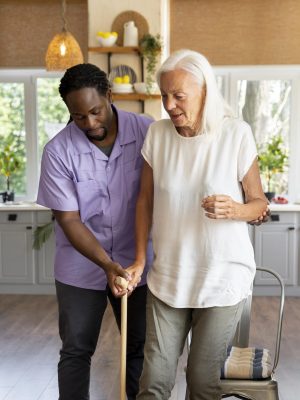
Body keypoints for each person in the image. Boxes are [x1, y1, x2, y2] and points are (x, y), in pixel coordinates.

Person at [127, 49, 269, 400]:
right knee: (153, 382)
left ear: (205, 90)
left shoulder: (235, 133)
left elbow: (259, 205)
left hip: (221, 278)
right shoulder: (158, 136)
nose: (169, 105)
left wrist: (235, 210)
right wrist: (140, 260)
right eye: (164, 96)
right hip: (169, 278)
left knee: (202, 382)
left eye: (178, 95)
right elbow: (144, 201)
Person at [36, 63, 154, 400]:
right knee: (76, 349)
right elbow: (70, 220)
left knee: (139, 349)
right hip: (80, 266)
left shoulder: (148, 132)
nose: (90, 123)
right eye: (78, 117)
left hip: (137, 264)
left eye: (95, 111)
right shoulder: (58, 151)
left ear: (109, 96)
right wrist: (106, 264)